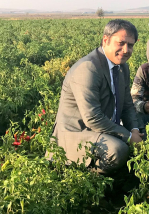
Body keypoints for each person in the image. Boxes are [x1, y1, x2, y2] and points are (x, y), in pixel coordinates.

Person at [47, 19, 143, 174]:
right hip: (77, 134)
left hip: (102, 129)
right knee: (117, 150)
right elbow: (92, 118)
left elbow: (127, 105)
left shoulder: (122, 67)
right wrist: (130, 137)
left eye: (130, 45)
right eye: (121, 43)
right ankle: (90, 178)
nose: (126, 50)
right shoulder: (88, 68)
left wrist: (134, 129)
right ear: (105, 40)